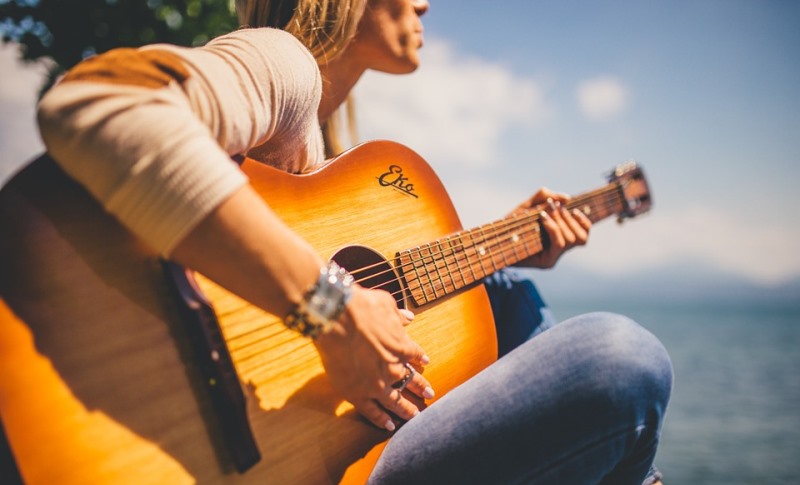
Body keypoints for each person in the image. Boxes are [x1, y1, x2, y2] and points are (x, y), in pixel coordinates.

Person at [34, 0, 672, 483]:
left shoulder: (335, 163)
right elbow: (101, 100)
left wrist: (505, 244)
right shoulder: (282, 63)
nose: (425, 4)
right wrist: (330, 311)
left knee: (510, 291)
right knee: (619, 356)